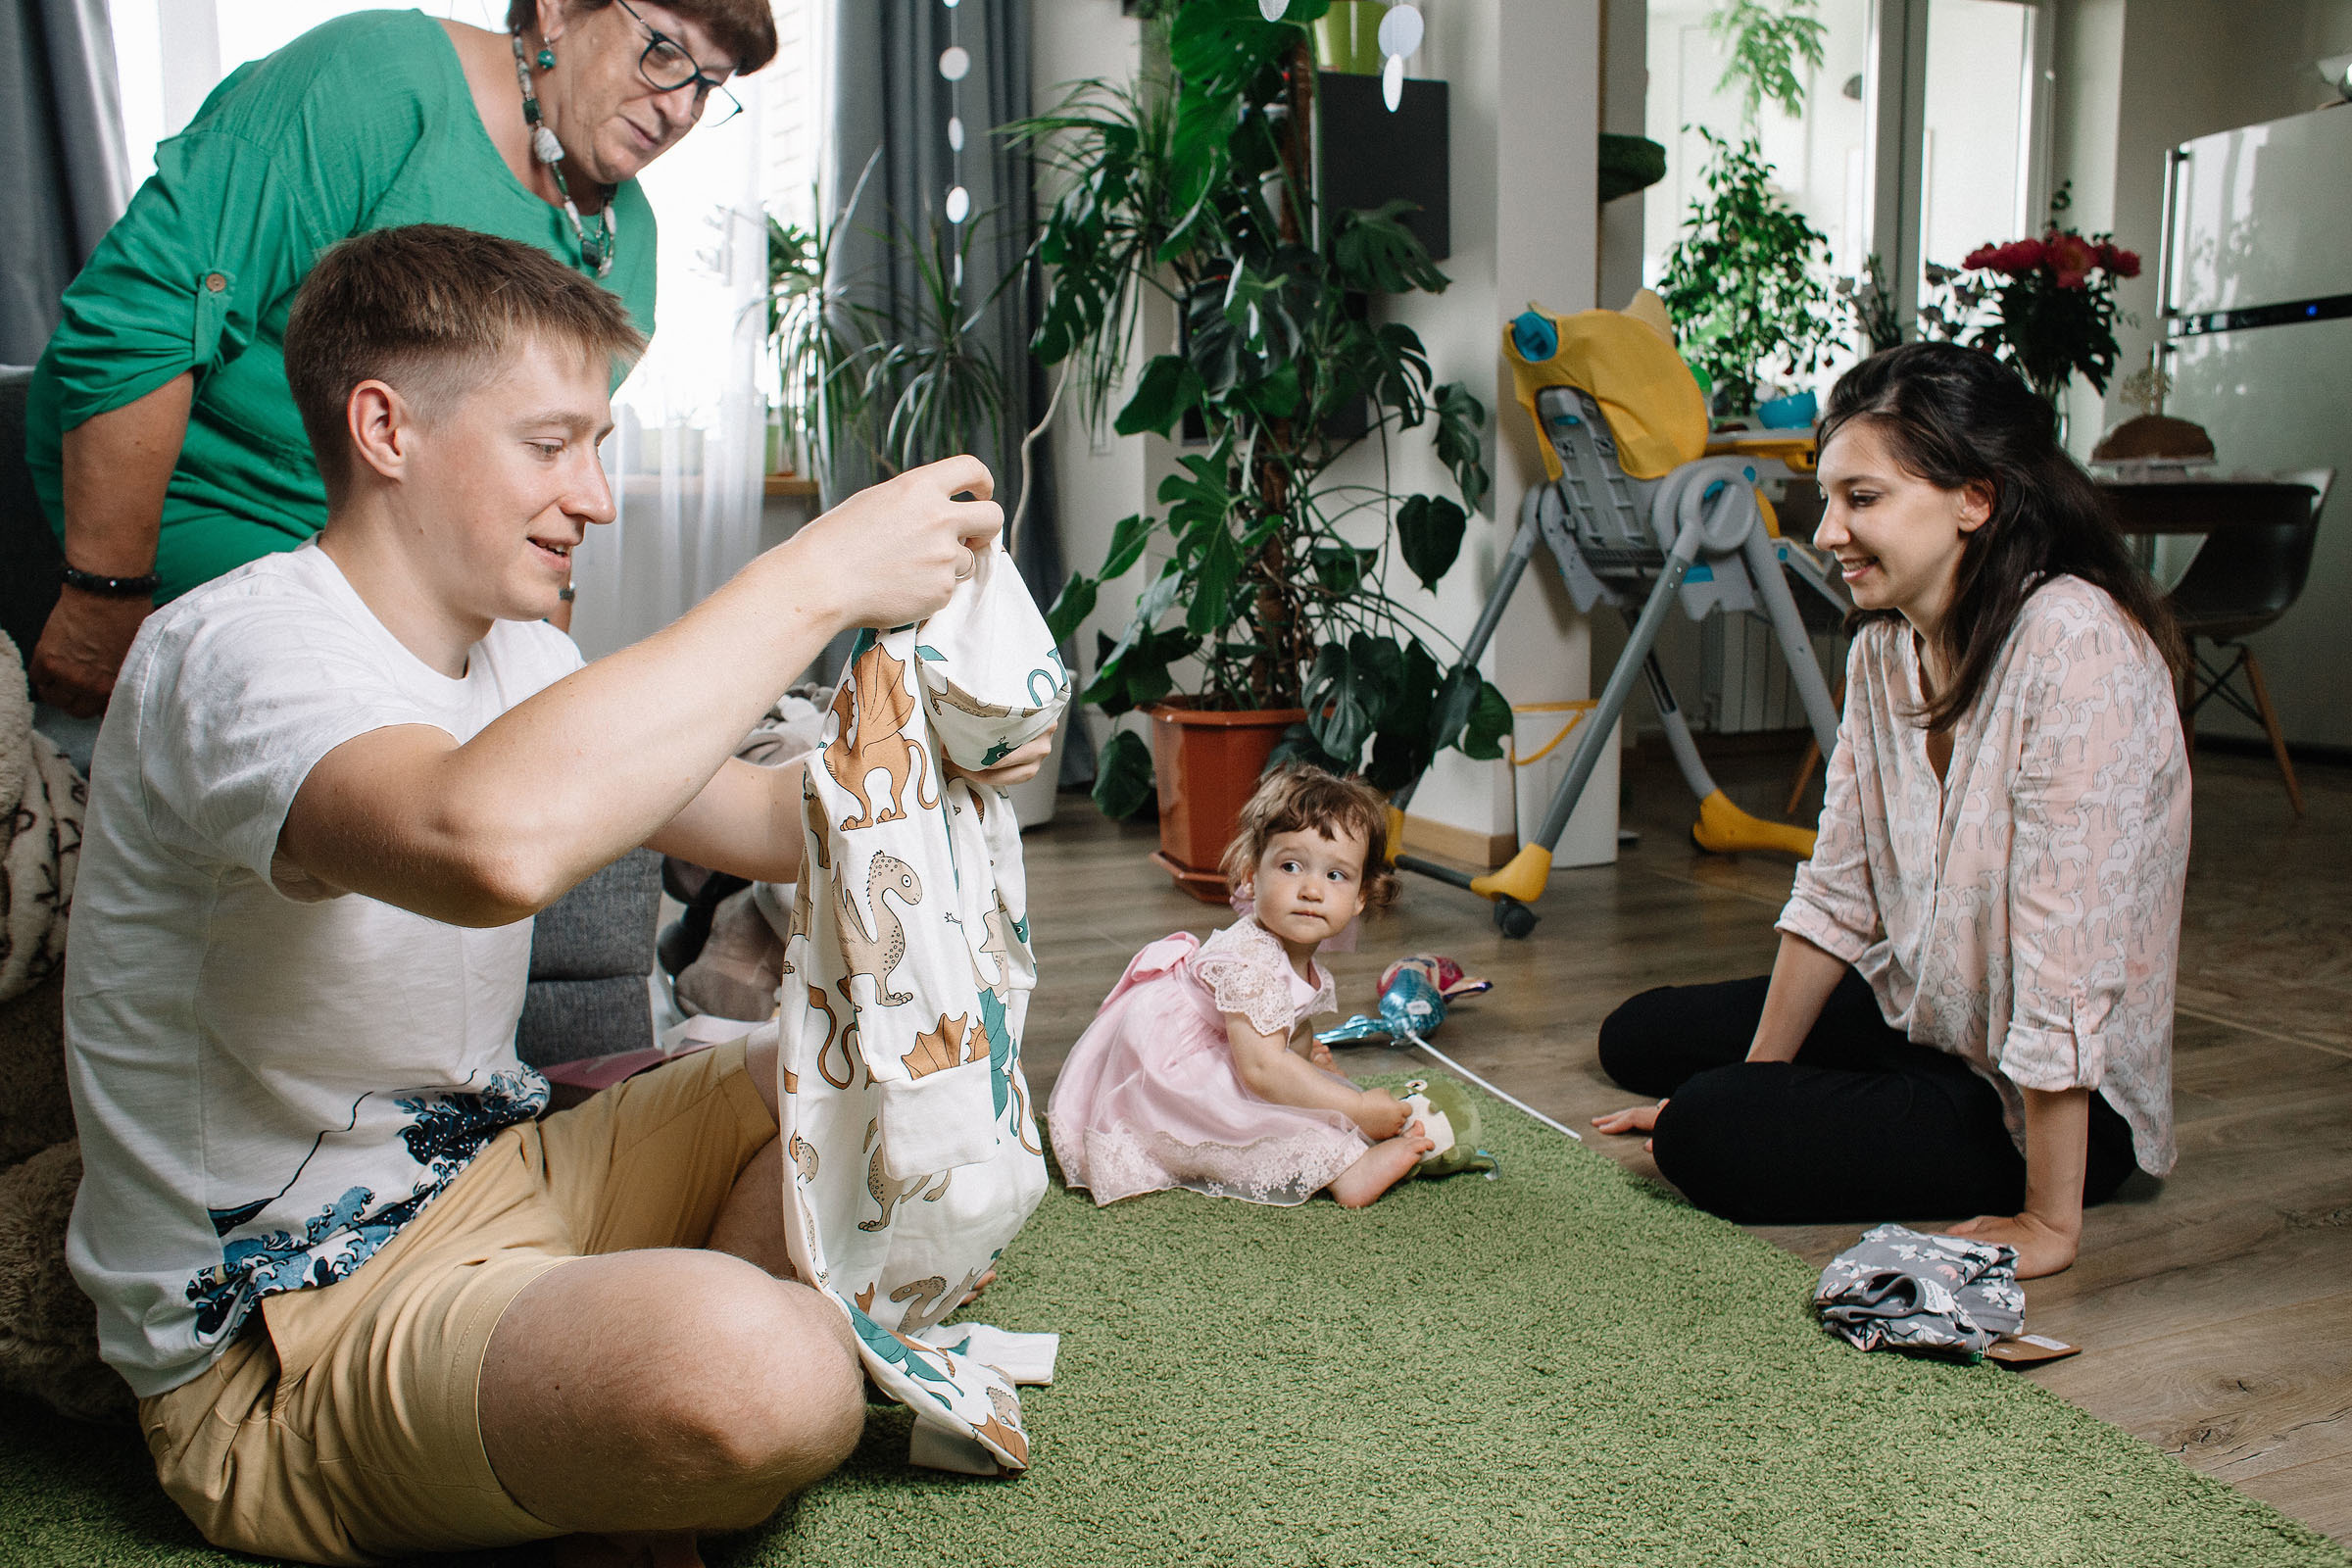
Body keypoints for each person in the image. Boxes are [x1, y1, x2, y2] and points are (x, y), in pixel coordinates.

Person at [63, 224, 1049, 1568]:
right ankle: (678, 1408)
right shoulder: (238, 648)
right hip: (292, 1333)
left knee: (853, 1070)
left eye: (600, 444)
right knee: (777, 1380)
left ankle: (619, 1435)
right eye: (551, 444)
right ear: (384, 429)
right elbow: (485, 844)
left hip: (504, 1176)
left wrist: (933, 740)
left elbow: (768, 823)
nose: (595, 496)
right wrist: (812, 574)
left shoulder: (522, 650)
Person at [1591, 341, 2190, 1280]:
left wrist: (2046, 1221)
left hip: (2052, 1107)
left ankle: (1946, 1140)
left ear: (1975, 498)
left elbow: (2062, 968)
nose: (1827, 532)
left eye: (1861, 499)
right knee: (1639, 1037)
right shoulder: (1884, 650)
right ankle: (1839, 1098)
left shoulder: (2077, 649)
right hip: (1931, 1017)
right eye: (1827, 500)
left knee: (1705, 1132)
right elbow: (1838, 892)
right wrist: (1764, 1083)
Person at [26, 0, 772, 719]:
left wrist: (540, 674)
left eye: (711, 85)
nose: (681, 108)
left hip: (411, 563)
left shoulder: (629, 235)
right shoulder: (372, 81)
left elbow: (546, 476)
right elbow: (140, 316)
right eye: (666, 51)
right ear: (556, 10)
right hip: (196, 507)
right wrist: (104, 595)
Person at [1049, 765, 1435, 1210]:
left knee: (1307, 1088)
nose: (1311, 889)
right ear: (1252, 877)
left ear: (1360, 897)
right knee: (1252, 1115)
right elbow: (1263, 1072)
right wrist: (1358, 1109)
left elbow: (1290, 1022)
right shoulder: (1250, 959)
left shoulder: (1293, 950)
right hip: (1168, 1068)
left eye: (1336, 876)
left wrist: (1305, 1060)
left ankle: (1337, 1129)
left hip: (1236, 1049)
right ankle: (1345, 1168)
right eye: (1291, 866)